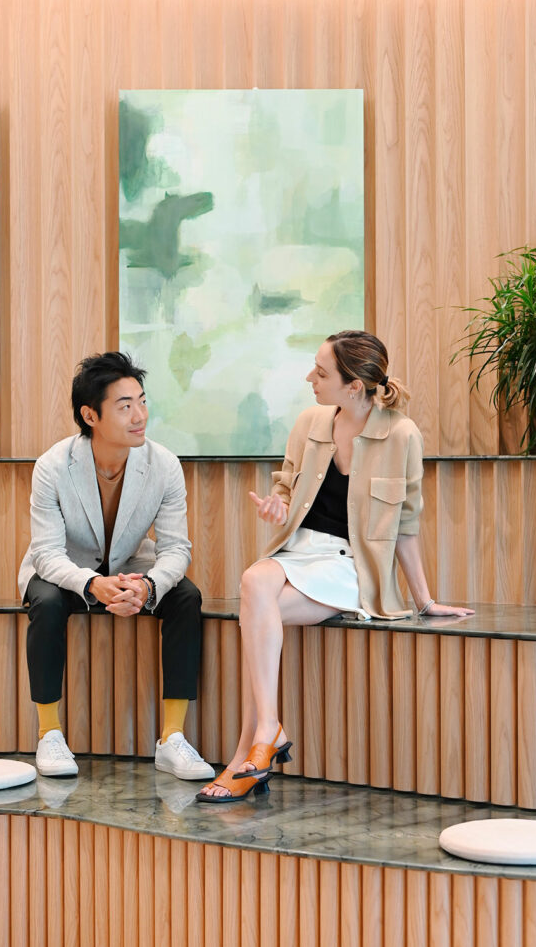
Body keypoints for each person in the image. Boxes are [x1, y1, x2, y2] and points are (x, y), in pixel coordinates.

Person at [198, 330, 473, 804]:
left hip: (352, 568)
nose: (310, 378)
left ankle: (249, 750)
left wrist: (424, 600)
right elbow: (286, 490)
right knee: (255, 588)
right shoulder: (309, 422)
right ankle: (266, 731)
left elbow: (406, 525)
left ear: (355, 387)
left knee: (254, 606)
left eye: (321, 373)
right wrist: (277, 509)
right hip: (299, 552)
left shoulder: (401, 433)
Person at [18, 351, 214, 782]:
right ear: (91, 415)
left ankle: (172, 739)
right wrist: (92, 585)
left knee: (186, 596)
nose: (139, 415)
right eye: (124, 407)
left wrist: (147, 586)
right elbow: (46, 553)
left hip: (130, 569)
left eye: (141, 401)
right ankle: (49, 733)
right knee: (47, 603)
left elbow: (177, 548)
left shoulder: (163, 465)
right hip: (65, 570)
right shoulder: (52, 467)